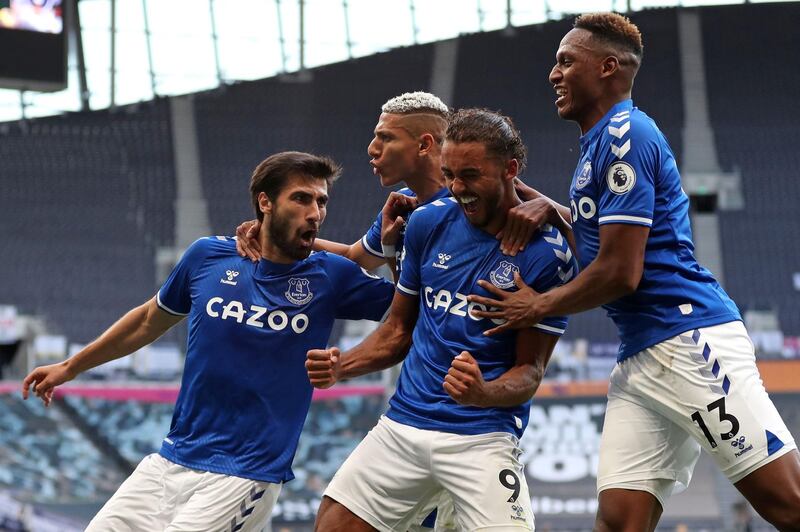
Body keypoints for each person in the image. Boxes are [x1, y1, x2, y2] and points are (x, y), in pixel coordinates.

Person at [470, 13, 800, 531]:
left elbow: (620, 272)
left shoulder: (627, 133)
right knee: (620, 522)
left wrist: (532, 307)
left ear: (607, 67)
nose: (553, 74)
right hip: (641, 356)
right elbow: (598, 244)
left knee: (787, 502)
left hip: (688, 339)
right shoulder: (597, 145)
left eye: (565, 61)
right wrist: (553, 209)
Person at [21, 151, 394, 532]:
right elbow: (149, 319)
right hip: (171, 461)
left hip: (245, 475)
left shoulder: (332, 276)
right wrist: (70, 367)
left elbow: (410, 310)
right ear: (265, 202)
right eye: (301, 198)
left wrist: (395, 256)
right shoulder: (207, 257)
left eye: (321, 201)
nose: (315, 212)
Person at [305, 108, 578, 531]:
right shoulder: (428, 222)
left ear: (510, 169)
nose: (457, 188)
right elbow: (398, 330)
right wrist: (345, 365)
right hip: (403, 426)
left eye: (470, 175)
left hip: (481, 437)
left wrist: (482, 392)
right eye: (449, 174)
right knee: (333, 525)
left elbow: (531, 370)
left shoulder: (548, 255)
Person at [237, 91, 451, 283]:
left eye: (386, 138)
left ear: (424, 145)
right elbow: (354, 258)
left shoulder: (468, 205)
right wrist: (271, 229)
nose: (372, 149)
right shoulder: (403, 206)